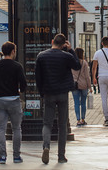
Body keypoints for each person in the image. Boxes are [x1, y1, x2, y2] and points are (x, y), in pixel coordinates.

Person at [35, 34, 80, 164]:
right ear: (63, 44)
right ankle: (61, 156)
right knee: (62, 125)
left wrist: (41, 92)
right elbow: (77, 66)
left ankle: (46, 146)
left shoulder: (41, 56)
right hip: (62, 93)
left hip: (49, 92)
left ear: (52, 41)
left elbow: (38, 77)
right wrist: (71, 50)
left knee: (47, 123)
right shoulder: (67, 56)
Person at [0, 41, 27, 165]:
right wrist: (19, 91)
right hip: (13, 99)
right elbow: (23, 84)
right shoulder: (17, 66)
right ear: (13, 51)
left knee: (1, 129)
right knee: (16, 128)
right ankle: (16, 156)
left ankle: (2, 156)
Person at [71, 47, 92, 127]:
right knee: (83, 103)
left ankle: (78, 120)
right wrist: (90, 87)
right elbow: (87, 76)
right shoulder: (84, 63)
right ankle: (83, 119)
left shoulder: (72, 63)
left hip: (74, 85)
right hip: (84, 85)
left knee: (76, 103)